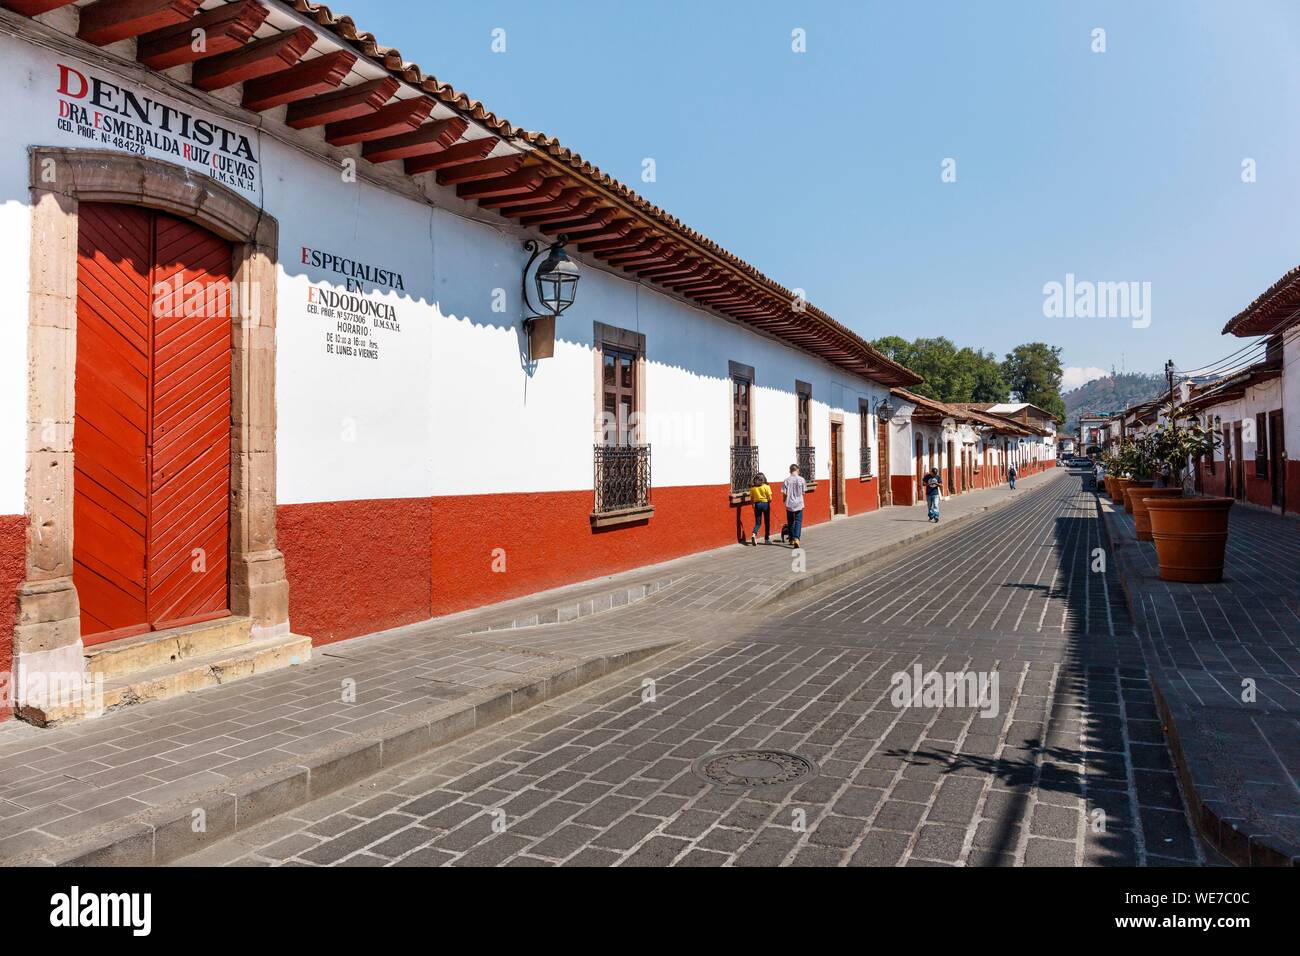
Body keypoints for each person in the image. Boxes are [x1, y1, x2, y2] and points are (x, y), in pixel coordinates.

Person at [782, 463, 806, 548]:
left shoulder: (786, 480)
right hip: (799, 503)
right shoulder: (802, 480)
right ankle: (796, 538)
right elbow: (803, 492)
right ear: (797, 470)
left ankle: (791, 539)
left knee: (790, 521)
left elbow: (784, 493)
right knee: (798, 521)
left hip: (789, 504)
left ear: (790, 470)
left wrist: (784, 500)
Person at [749, 472, 772, 545]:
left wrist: (753, 505)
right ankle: (767, 539)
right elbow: (770, 498)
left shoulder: (753, 488)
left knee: (758, 522)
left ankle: (754, 534)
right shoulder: (766, 486)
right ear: (763, 479)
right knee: (767, 522)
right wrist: (768, 501)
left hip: (757, 505)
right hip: (765, 504)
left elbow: (752, 499)